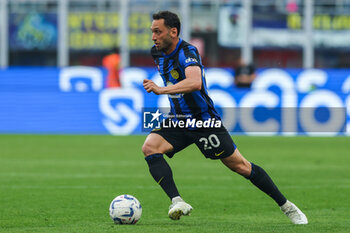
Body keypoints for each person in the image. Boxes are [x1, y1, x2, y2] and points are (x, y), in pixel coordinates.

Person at [142, 10, 307, 224]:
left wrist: (161, 89)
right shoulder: (156, 53)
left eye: (158, 32)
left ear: (173, 32)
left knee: (241, 166)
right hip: (180, 119)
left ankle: (287, 206)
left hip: (204, 120)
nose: (153, 37)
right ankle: (177, 201)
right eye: (152, 32)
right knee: (150, 147)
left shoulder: (187, 52)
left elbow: (195, 83)